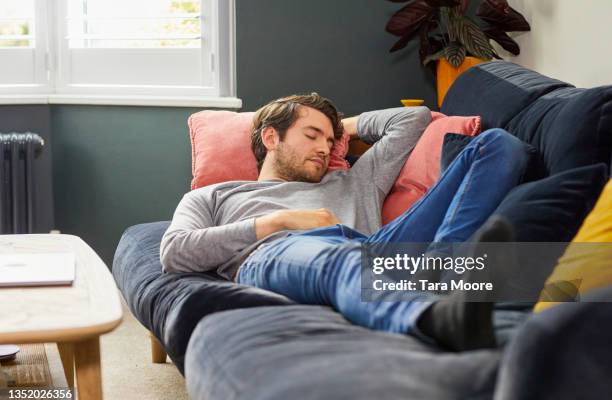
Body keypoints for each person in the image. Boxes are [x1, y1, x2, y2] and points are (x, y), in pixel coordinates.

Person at [160, 93, 531, 351]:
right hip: (278, 253)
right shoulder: (215, 195)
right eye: (311, 135)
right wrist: (278, 221)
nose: (325, 147)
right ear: (271, 137)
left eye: (330, 138)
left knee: (496, 144)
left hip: (377, 250)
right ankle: (434, 316)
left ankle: (437, 270)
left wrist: (342, 127)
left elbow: (414, 118)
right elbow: (174, 252)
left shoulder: (357, 179)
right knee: (337, 258)